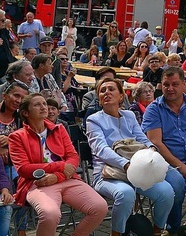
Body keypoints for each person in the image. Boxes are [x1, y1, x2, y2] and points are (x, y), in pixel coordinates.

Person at [9, 93, 108, 235]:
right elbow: (23, 169)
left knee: (100, 207)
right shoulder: (16, 137)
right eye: (37, 105)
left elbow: (73, 157)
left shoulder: (59, 129)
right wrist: (60, 166)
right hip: (37, 183)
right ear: (25, 112)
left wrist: (57, 176)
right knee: (50, 214)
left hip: (66, 179)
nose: (44, 107)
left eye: (44, 103)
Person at [87, 78, 175, 236]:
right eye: (102, 90)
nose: (106, 92)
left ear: (121, 96)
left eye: (111, 89)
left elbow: (141, 138)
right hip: (108, 175)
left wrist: (152, 149)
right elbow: (101, 149)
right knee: (126, 194)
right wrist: (126, 164)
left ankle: (157, 230)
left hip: (137, 171)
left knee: (166, 191)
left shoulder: (129, 115)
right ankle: (116, 233)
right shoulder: (93, 120)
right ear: (99, 98)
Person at [143, 66, 186, 231]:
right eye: (166, 84)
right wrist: (181, 167)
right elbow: (156, 143)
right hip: (168, 165)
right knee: (176, 187)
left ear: (184, 84)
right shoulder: (153, 110)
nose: (170, 88)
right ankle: (173, 229)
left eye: (175, 84)